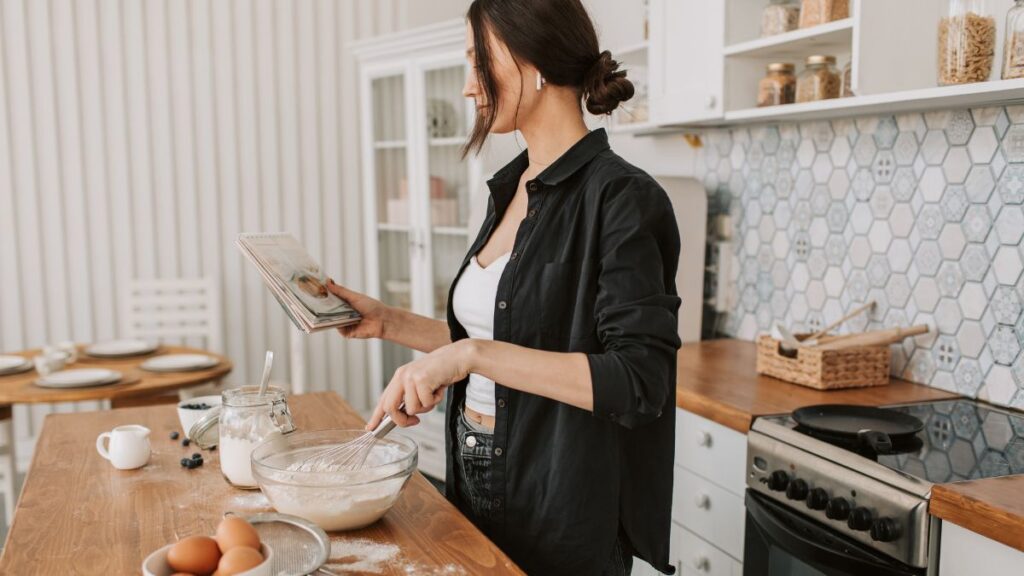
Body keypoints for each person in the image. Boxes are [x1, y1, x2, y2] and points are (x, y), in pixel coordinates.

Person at [328, 1, 681, 573]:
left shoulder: (623, 199)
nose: (469, 86)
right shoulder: (511, 187)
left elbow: (638, 382)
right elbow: (511, 333)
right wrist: (388, 321)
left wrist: (469, 356)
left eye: (479, 61)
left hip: (558, 492)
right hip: (473, 466)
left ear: (533, 61)